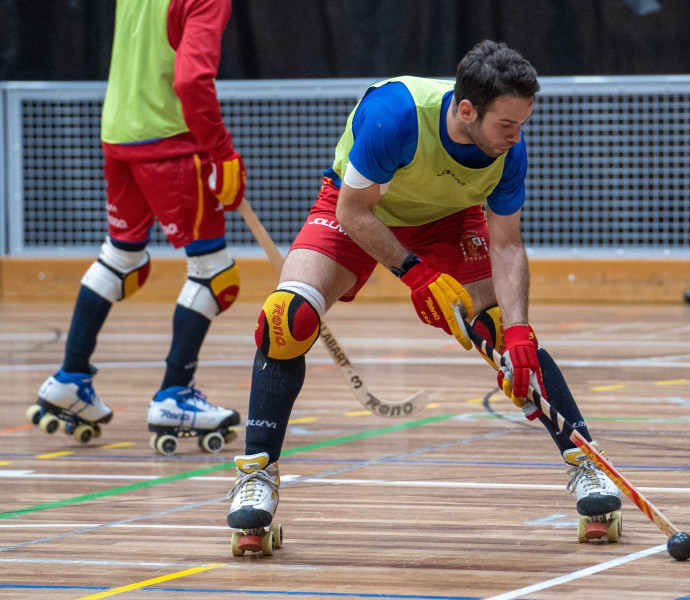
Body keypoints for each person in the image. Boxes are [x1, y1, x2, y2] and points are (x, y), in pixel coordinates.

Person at [226, 40, 620, 537]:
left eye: (523, 124)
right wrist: (414, 273)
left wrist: (519, 330)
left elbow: (507, 246)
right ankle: (257, 473)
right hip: (359, 210)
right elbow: (352, 211)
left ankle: (587, 464)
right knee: (287, 319)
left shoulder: (508, 151)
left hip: (449, 221)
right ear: (466, 109)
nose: (517, 137)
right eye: (507, 125)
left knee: (503, 332)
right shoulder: (396, 114)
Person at [29, 0, 244, 455]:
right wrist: (221, 151)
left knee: (121, 259)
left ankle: (69, 378)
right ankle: (175, 395)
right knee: (215, 274)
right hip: (170, 143)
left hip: (118, 135)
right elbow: (189, 78)